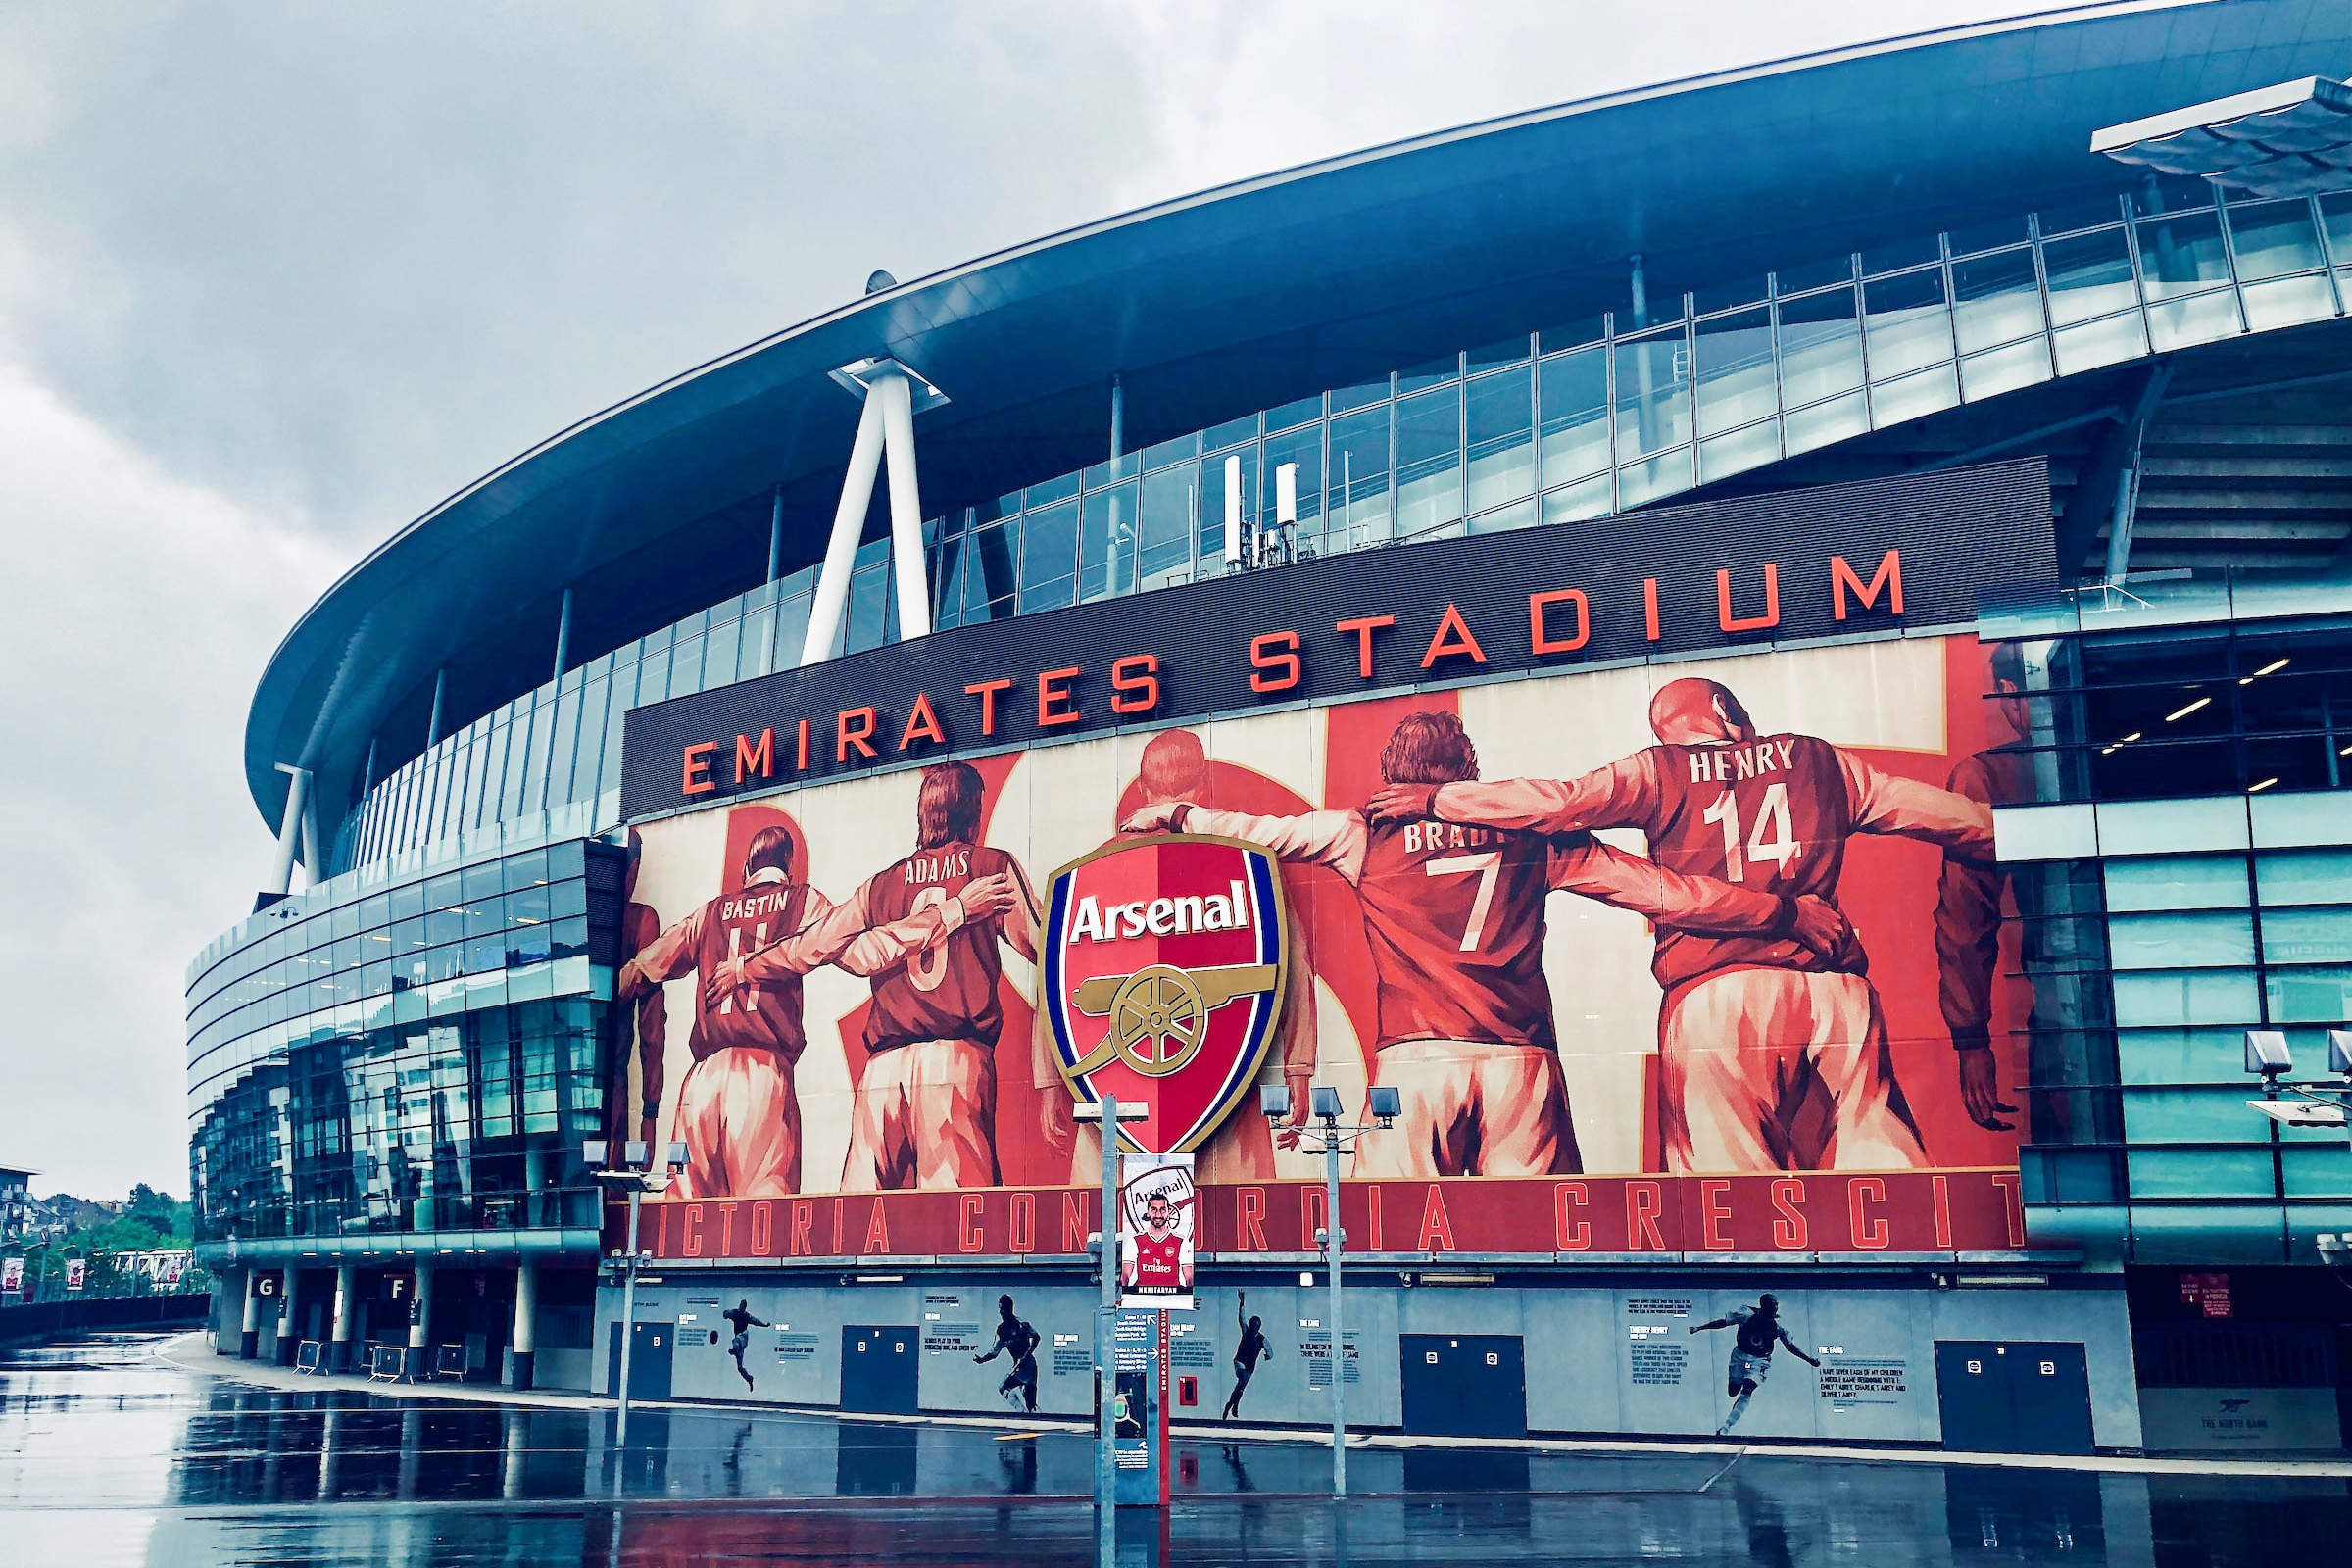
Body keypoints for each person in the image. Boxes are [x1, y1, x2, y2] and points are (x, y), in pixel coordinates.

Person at [1125, 709, 1853, 1177]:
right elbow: (1665, 892)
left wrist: (1176, 812)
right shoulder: (1535, 838)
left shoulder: (1360, 832)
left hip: (1412, 1065)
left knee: (1390, 1249)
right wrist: (1779, 912)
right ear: (1467, 775)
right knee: (1536, 1248)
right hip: (1521, 1066)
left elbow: (1258, 832)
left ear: (1393, 777)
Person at [1372, 677, 1996, 1173]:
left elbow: (1558, 803)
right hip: (1832, 987)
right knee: (1875, 1150)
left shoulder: (1658, 770)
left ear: (1674, 732)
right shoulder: (1823, 762)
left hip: (1714, 992)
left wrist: (1436, 800)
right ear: (1729, 714)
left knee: (1727, 1183)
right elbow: (1961, 822)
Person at [617, 822, 1021, 1199]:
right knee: (764, 1219)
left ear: (747, 869)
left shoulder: (708, 914)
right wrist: (954, 912)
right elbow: (862, 953)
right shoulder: (802, 900)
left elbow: (639, 970)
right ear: (788, 868)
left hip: (700, 1081)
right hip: (760, 1074)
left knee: (685, 1221)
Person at [1057, 728, 1321, 1185]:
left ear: (1142, 789)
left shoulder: (1089, 875)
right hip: (1227, 1087)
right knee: (1241, 1241)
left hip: (1112, 1100)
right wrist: (1299, 1068)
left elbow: (1055, 978)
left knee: (1096, 1238)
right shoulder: (1246, 866)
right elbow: (1292, 967)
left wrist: (1047, 1086)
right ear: (1203, 788)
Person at [838, 762, 1039, 1191]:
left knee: (856, 1224)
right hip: (954, 1059)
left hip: (881, 1069)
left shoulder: (882, 884)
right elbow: (1042, 945)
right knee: (958, 1226)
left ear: (924, 816)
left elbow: (838, 947)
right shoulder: (990, 866)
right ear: (974, 813)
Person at [1689, 1292, 1819, 1435]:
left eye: (1776, 1305)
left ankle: (1726, 1427)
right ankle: (1736, 1385)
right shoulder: (1746, 1314)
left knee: (1748, 1389)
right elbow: (1723, 1323)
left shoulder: (1778, 1326)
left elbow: (1790, 1346)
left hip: (1760, 1360)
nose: (1775, 1308)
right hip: (1740, 1355)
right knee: (1733, 1391)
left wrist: (1809, 1360)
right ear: (1762, 1306)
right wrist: (1700, 1328)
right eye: (1771, 1305)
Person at [614, 828, 668, 1152]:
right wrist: (650, 1112)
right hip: (611, 1080)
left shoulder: (637, 920)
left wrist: (650, 1110)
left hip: (580, 1077)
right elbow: (652, 1029)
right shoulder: (638, 920)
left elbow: (652, 1026)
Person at [973, 1293, 1043, 1413]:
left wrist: (1025, 1356)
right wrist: (982, 1359)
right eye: (999, 1308)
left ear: (1010, 1309)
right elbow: (994, 1352)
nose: (1000, 1312)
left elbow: (1036, 1337)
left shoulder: (1022, 1325)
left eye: (1003, 1309)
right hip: (1018, 1366)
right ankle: (1025, 1411)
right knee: (1010, 1391)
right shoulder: (1001, 1329)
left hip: (1028, 1365)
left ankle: (1025, 1412)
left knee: (1005, 1388)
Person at [1124, 1190, 1191, 1296]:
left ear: (1168, 1213)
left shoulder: (1181, 1240)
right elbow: (1126, 1274)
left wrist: (1187, 1299)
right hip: (1142, 1298)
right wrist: (1125, 1297)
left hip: (1172, 1297)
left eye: (1163, 1210)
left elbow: (1189, 1277)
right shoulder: (1135, 1239)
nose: (1158, 1214)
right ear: (1148, 1213)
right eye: (1154, 1210)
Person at [1223, 1290, 1270, 1421]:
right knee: (1242, 1381)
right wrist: (1242, 1303)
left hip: (1250, 1366)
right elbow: (1241, 1318)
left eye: (1257, 1326)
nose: (1255, 1327)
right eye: (1253, 1325)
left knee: (1240, 1387)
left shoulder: (1261, 1339)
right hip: (1240, 1361)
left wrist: (1267, 1355)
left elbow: (1270, 1350)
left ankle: (1231, 1405)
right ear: (1250, 1325)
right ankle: (1234, 1407)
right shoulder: (1246, 1331)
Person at [720, 1298, 768, 1392]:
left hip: (743, 1336)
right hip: (739, 1340)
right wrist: (725, 1315)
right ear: (740, 1306)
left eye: (744, 1306)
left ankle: (735, 1350)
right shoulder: (735, 1313)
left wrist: (765, 1325)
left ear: (745, 1307)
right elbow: (726, 1313)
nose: (742, 1308)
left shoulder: (747, 1316)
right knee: (739, 1367)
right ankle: (749, 1379)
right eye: (741, 1306)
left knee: (736, 1340)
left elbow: (756, 1321)